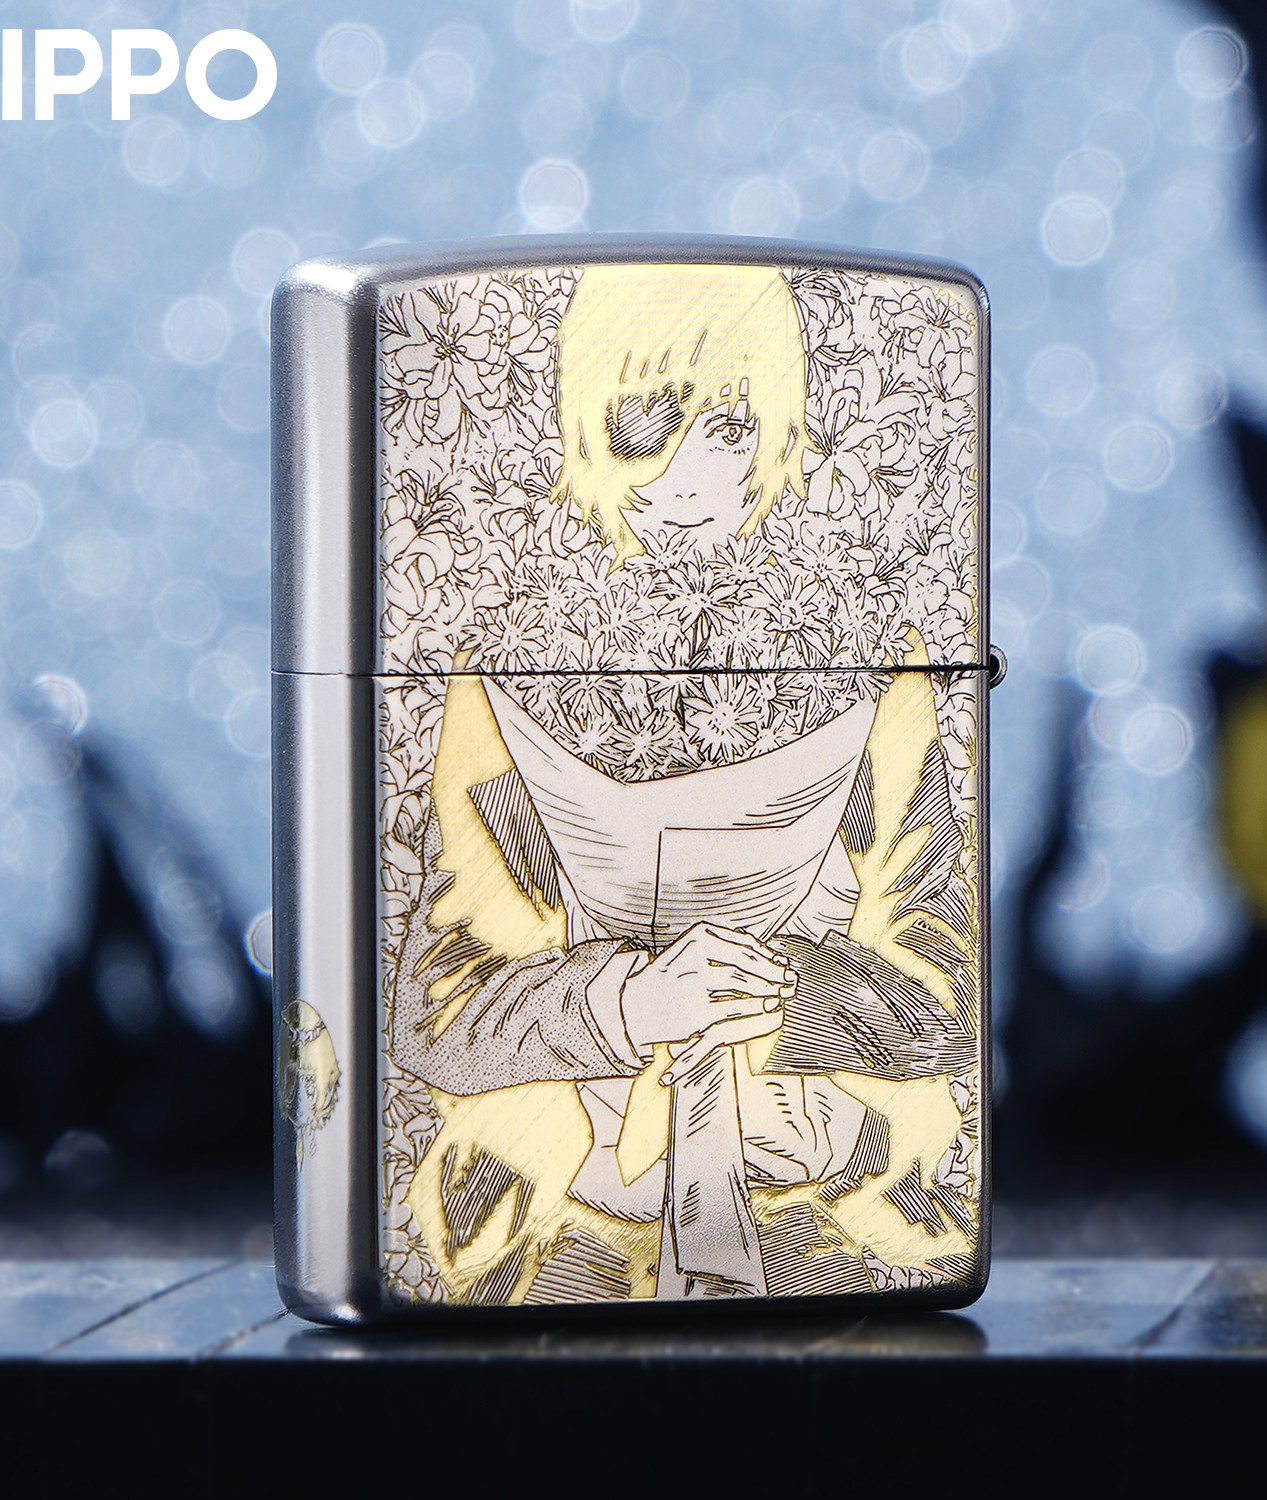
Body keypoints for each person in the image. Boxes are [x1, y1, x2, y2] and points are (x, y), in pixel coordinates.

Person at [387, 263, 975, 1302]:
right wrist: (626, 1001)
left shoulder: (884, 664)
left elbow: (945, 990)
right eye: (646, 424)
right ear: (583, 431)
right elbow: (439, 1007)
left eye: (730, 427)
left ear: (781, 431)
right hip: (557, 1232)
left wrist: (780, 1007)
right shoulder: (501, 678)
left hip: (829, 1215)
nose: (692, 476)